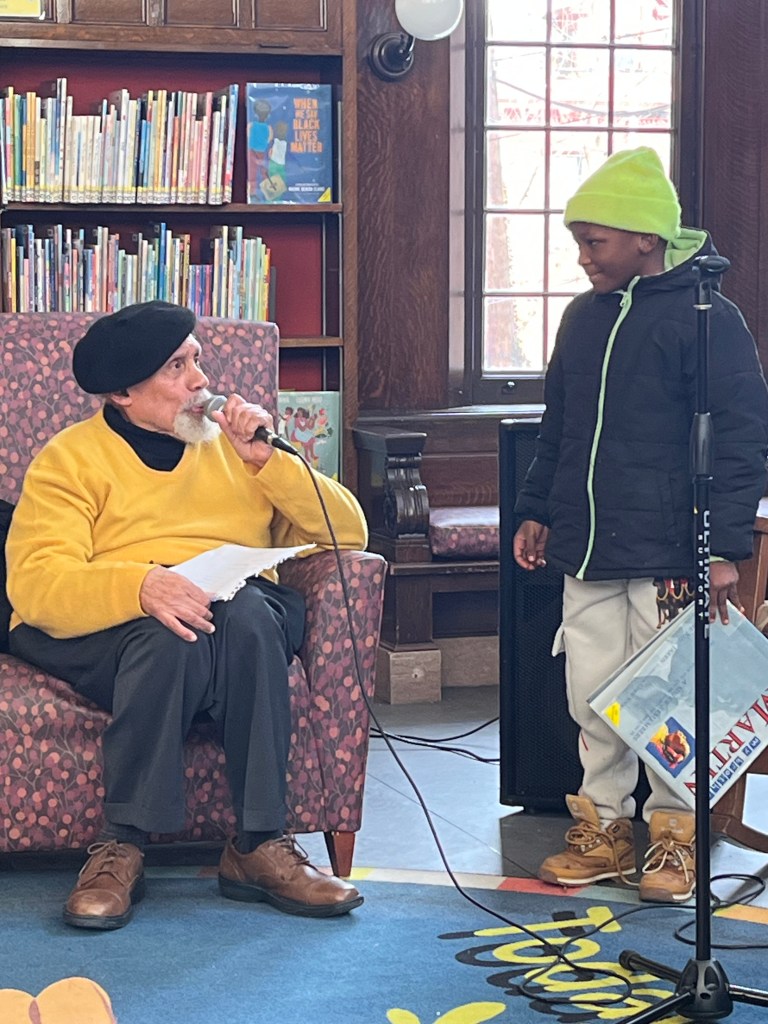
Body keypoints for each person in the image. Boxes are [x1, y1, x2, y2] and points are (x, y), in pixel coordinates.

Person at [5, 300, 368, 929]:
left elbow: (349, 531)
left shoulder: (239, 448)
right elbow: (36, 584)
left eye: (197, 359)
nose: (201, 379)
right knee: (168, 635)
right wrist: (142, 586)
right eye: (177, 367)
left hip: (234, 611)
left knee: (249, 615)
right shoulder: (70, 459)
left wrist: (272, 463)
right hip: (116, 624)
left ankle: (260, 844)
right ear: (123, 392)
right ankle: (121, 846)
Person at [513, 147, 768, 903]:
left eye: (595, 241)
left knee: (668, 699)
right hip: (587, 549)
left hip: (671, 554)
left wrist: (723, 549)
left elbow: (740, 440)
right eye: (579, 242)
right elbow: (559, 426)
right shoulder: (581, 319)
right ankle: (604, 830)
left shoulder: (709, 319)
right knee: (592, 694)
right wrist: (536, 509)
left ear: (645, 239)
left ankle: (675, 836)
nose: (583, 257)